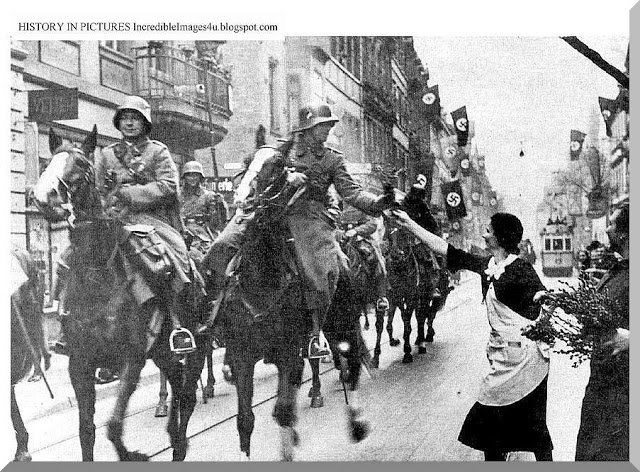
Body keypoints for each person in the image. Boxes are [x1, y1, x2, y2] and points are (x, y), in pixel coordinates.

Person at [202, 104, 394, 358]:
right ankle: (211, 315)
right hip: (270, 210)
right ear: (308, 128)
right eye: (323, 126)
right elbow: (259, 177)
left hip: (309, 217)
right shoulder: (282, 150)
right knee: (222, 246)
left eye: (329, 125)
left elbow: (351, 192)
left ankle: (316, 329)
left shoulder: (332, 159)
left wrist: (377, 203)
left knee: (321, 271)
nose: (328, 130)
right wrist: (285, 176)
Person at [391, 209, 553, 461]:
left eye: (488, 231)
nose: (484, 234)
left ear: (499, 237)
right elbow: (444, 248)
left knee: (534, 432)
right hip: (504, 360)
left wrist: (543, 308)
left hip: (527, 361)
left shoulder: (521, 269)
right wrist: (409, 222)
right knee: (493, 434)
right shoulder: (487, 265)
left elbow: (544, 300)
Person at [54, 95, 196, 354]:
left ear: (145, 123)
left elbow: (168, 186)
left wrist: (130, 194)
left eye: (135, 119)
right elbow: (96, 189)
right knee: (69, 260)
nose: (129, 124)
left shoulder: (158, 151)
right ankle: (67, 323)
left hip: (150, 219)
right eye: (125, 119)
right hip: (112, 219)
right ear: (118, 123)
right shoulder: (107, 154)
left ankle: (177, 325)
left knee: (167, 259)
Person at [575, 204, 629, 461]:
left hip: (624, 395)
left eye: (612, 224)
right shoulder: (620, 268)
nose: (606, 229)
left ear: (626, 234)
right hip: (602, 386)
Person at [339, 204, 390, 311]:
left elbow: (372, 224)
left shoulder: (362, 207)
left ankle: (381, 297)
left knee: (377, 259)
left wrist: (356, 231)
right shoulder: (337, 206)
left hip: (360, 240)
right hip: (340, 239)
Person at [180, 160, 229, 266]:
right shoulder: (177, 195)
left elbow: (217, 222)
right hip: (180, 229)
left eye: (195, 176)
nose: (192, 179)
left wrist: (219, 205)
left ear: (200, 178)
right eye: (189, 175)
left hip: (201, 232)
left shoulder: (208, 196)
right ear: (184, 177)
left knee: (211, 259)